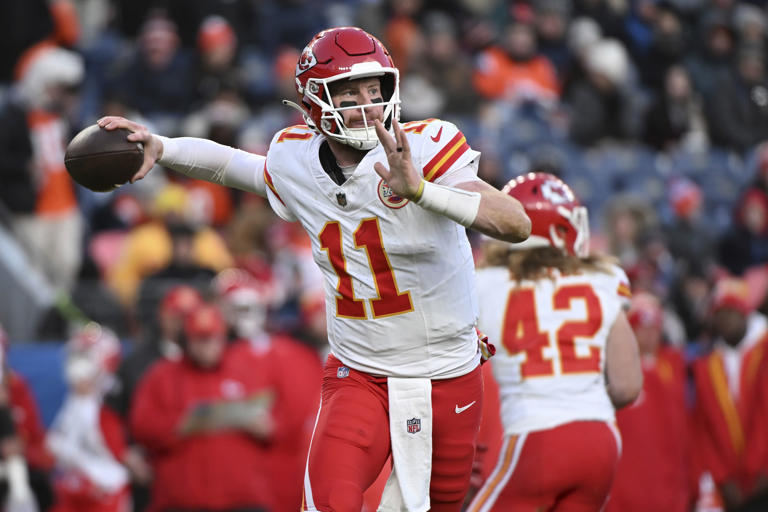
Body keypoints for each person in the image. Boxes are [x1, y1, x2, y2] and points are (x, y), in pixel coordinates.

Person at [100, 25, 531, 512]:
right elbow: (231, 167)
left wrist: (422, 191)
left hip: (449, 373)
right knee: (329, 501)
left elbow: (514, 223)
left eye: (375, 90)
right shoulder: (295, 159)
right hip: (361, 373)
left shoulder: (427, 148)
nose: (369, 105)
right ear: (313, 107)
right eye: (349, 94)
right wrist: (164, 147)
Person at [467, 172, 642, 512]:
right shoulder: (603, 279)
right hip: (601, 440)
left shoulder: (483, 282)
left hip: (539, 436)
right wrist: (578, 402)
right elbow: (627, 387)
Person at [130, 302, 276, 512]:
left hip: (242, 498)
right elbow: (141, 427)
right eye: (200, 339)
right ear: (187, 340)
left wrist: (265, 427)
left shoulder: (246, 371)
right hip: (182, 500)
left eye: (213, 338)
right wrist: (183, 423)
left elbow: (277, 425)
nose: (207, 346)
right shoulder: (162, 376)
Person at [606, 292, 693, 512]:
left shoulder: (674, 364)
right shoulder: (614, 370)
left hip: (669, 483)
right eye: (642, 327)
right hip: (626, 487)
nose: (649, 334)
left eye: (654, 327)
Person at [690, 278, 768, 511]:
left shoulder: (762, 354)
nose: (725, 320)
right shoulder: (706, 367)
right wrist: (722, 478)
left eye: (732, 312)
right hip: (731, 487)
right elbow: (704, 429)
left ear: (745, 313)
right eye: (720, 314)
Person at [46, 322, 130, 512]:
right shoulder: (74, 404)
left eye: (84, 359)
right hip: (72, 490)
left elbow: (116, 454)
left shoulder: (107, 409)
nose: (76, 370)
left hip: (103, 493)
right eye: (75, 358)